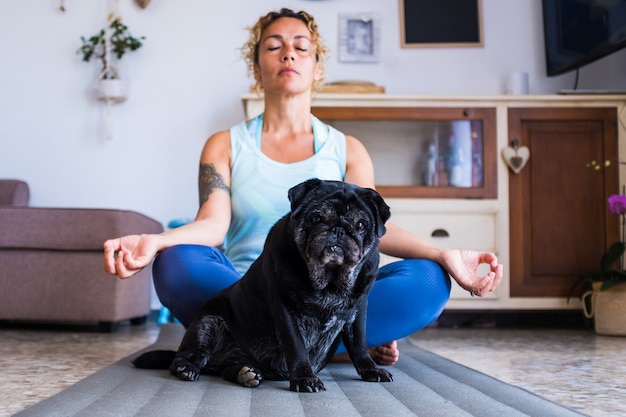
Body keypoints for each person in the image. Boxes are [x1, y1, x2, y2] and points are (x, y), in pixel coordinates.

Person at [103, 8, 502, 366]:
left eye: (300, 47)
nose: (288, 54)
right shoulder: (225, 144)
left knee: (429, 281)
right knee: (175, 262)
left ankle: (325, 341)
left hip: (332, 295)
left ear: (317, 66)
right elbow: (212, 224)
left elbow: (375, 232)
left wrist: (442, 253)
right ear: (257, 66)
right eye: (274, 47)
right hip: (248, 298)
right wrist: (157, 241)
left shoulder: (348, 150)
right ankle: (334, 345)